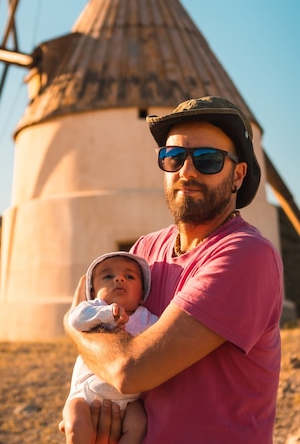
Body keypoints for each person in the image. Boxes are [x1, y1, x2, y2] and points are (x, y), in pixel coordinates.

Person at [64, 96, 283, 444]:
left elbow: (128, 370)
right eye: (173, 157)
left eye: (208, 160)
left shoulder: (245, 256)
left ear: (238, 175)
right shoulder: (143, 253)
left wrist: (76, 327)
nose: (187, 171)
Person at [61, 252, 158, 444]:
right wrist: (106, 313)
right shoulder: (92, 309)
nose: (119, 278)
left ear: (142, 295)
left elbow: (160, 336)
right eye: (107, 276)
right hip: (86, 394)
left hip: (129, 400)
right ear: (93, 291)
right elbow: (74, 319)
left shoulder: (146, 317)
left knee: (139, 424)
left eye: (130, 276)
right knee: (76, 425)